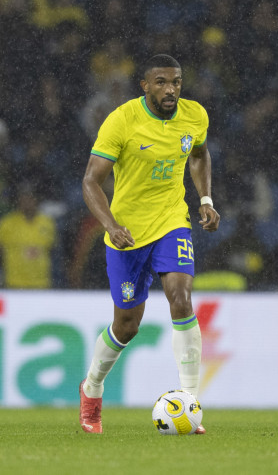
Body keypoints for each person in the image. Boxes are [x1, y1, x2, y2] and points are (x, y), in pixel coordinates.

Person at [78, 54, 220, 434]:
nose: (170, 89)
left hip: (173, 221)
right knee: (127, 325)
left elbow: (200, 155)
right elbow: (91, 181)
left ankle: (190, 404)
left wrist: (205, 199)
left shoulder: (194, 116)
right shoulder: (122, 120)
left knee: (182, 298)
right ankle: (91, 388)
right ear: (144, 86)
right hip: (127, 232)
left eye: (175, 81)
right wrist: (110, 224)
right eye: (160, 82)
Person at [0, 183, 56, 288]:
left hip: (41, 283)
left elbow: (51, 249)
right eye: (23, 198)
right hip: (14, 283)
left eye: (30, 197)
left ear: (36, 200)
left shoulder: (47, 223)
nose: (26, 202)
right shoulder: (7, 223)